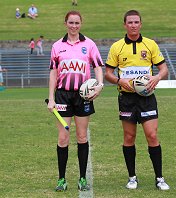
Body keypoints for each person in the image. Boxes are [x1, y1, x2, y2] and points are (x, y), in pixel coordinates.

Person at [105, 10, 170, 191]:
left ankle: (159, 178)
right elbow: (108, 73)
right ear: (125, 25)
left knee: (152, 135)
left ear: (140, 24)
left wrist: (157, 78)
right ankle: (132, 177)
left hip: (147, 97)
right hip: (126, 98)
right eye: (130, 22)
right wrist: (119, 81)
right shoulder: (117, 47)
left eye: (136, 22)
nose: (133, 25)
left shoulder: (150, 45)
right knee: (129, 137)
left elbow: (163, 69)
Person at [47, 10, 104, 192]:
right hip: (62, 95)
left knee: (81, 136)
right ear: (66, 24)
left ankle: (82, 179)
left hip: (83, 96)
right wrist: (51, 98)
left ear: (81, 23)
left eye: (77, 23)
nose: (74, 26)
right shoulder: (57, 46)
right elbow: (53, 73)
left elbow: (97, 67)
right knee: (63, 137)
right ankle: (61, 179)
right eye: (71, 23)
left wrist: (100, 85)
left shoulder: (89, 44)